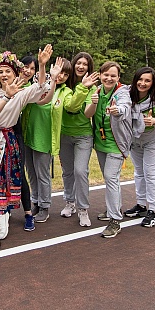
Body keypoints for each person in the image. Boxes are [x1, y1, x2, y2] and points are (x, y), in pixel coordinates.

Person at [0, 47, 57, 240]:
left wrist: (42, 65)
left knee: (3, 179)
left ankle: (3, 216)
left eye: (8, 71)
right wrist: (4, 95)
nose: (4, 75)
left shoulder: (21, 94)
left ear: (15, 73)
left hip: (6, 140)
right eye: (1, 71)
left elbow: (41, 88)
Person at [25, 57, 98, 225]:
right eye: (60, 72)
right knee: (33, 173)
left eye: (65, 74)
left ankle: (49, 206)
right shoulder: (40, 82)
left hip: (48, 138)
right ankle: (37, 202)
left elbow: (72, 107)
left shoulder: (66, 92)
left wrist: (82, 88)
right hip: (30, 134)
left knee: (64, 173)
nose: (61, 76)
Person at [84, 61, 132, 238]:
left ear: (118, 77)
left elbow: (125, 106)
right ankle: (114, 208)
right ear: (101, 75)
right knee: (109, 178)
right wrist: (93, 103)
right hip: (101, 143)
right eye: (106, 75)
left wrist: (117, 109)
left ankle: (115, 220)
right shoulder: (97, 91)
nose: (109, 78)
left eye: (113, 75)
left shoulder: (122, 92)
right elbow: (88, 114)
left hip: (116, 145)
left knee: (111, 178)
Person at [59, 52, 99, 227]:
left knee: (80, 171)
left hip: (83, 135)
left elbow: (84, 112)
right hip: (64, 134)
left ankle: (83, 208)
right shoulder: (65, 84)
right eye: (79, 63)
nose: (81, 66)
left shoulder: (91, 87)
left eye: (85, 64)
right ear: (73, 64)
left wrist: (91, 97)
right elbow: (67, 105)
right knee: (67, 171)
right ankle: (70, 202)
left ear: (89, 68)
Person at [125, 67, 155, 228]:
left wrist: (154, 121)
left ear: (152, 83)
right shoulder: (128, 95)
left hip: (153, 140)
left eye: (147, 80)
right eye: (140, 79)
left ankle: (154, 210)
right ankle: (141, 204)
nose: (142, 83)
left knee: (151, 172)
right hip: (136, 139)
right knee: (139, 172)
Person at [14, 55, 39, 231]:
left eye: (32, 68)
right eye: (25, 67)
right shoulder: (5, 82)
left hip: (17, 133)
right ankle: (1, 209)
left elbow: (43, 96)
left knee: (20, 172)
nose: (28, 71)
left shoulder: (30, 88)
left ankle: (28, 213)